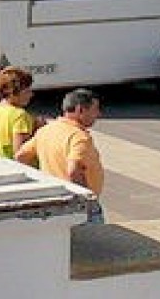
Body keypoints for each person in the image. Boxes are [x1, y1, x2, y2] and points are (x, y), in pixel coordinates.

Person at [16, 88, 106, 223]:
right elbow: (73, 170)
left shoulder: (47, 130)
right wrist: (86, 199)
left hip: (53, 197)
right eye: (95, 109)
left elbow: (21, 156)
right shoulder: (79, 137)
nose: (98, 114)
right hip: (76, 203)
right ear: (80, 110)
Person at [0, 67, 43, 160]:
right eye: (27, 91)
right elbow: (20, 153)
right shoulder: (20, 115)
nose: (31, 94)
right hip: (12, 165)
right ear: (12, 93)